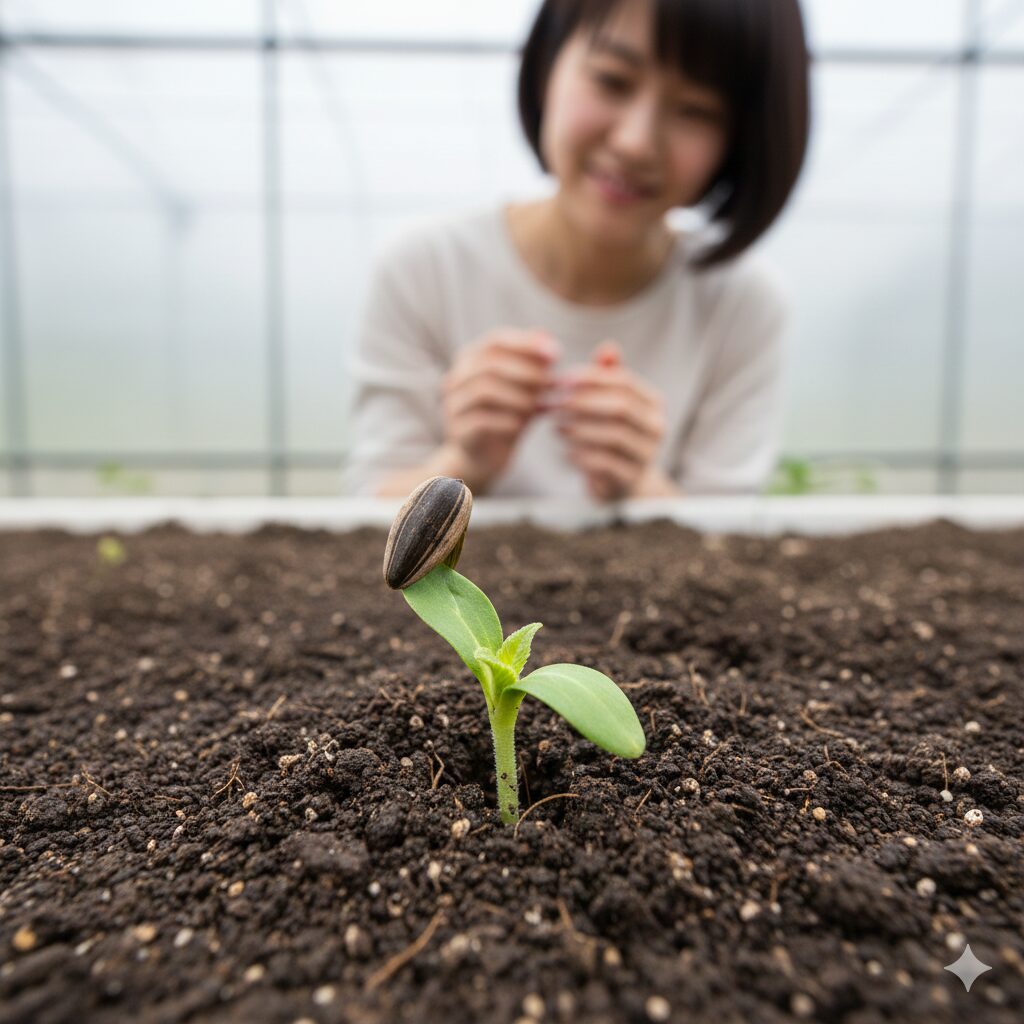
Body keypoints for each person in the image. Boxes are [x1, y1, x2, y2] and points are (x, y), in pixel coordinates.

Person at [343, 0, 810, 501]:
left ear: (739, 142)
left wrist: (638, 482)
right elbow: (366, 520)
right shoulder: (424, 268)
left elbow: (729, 542)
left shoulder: (741, 305)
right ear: (547, 64)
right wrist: (463, 462)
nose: (635, 142)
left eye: (695, 111)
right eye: (612, 79)